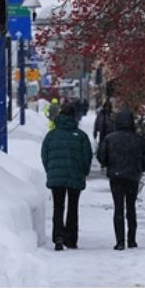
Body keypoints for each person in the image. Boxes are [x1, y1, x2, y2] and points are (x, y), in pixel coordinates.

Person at [97, 109, 145, 251]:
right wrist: (140, 168)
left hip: (116, 177)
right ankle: (132, 240)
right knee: (131, 207)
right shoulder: (139, 139)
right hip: (133, 177)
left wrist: (108, 165)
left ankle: (120, 241)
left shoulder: (110, 138)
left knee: (118, 208)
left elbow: (101, 156)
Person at [40, 104, 93, 251]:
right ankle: (71, 238)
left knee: (58, 207)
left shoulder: (51, 135)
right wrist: (83, 172)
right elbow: (87, 157)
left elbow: (45, 155)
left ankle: (58, 236)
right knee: (72, 207)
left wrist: (50, 170)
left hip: (56, 177)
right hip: (75, 175)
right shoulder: (81, 136)